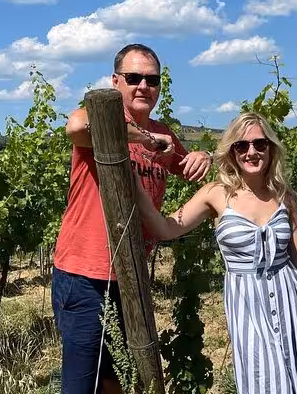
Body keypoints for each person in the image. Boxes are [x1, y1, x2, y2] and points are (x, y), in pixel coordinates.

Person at [51, 43, 213, 394]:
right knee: (83, 385)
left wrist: (205, 155)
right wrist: (144, 138)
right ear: (116, 81)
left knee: (120, 383)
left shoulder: (164, 134)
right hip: (86, 275)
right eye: (134, 77)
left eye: (152, 80)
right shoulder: (99, 116)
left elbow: (189, 168)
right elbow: (75, 128)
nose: (143, 86)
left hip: (132, 275)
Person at [134, 111, 297, 394]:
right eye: (242, 145)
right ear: (232, 151)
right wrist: (135, 188)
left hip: (290, 297)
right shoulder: (215, 193)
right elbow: (167, 228)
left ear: (270, 148)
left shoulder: (283, 196)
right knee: (263, 379)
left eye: (260, 144)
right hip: (247, 304)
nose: (252, 152)